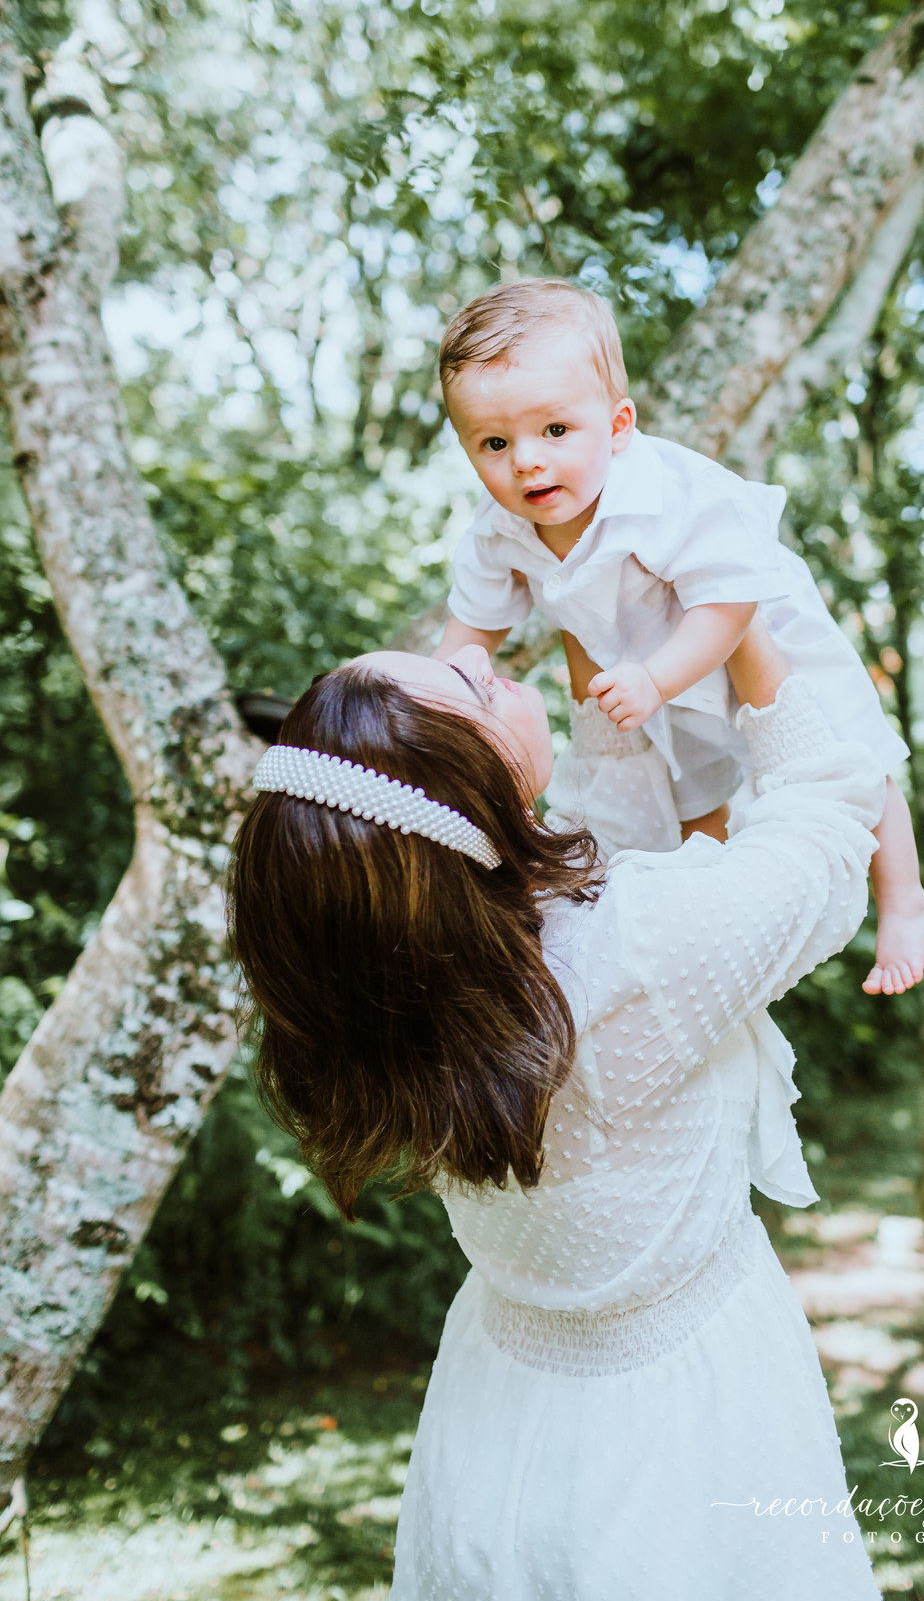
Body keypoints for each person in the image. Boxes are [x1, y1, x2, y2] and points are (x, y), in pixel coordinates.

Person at [228, 614, 886, 1600]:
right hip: (682, 1416)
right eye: (470, 686)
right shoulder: (632, 949)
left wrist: (601, 638)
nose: (476, 654)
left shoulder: (411, 976)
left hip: (500, 1398)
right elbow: (830, 830)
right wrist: (738, 611)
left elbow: (600, 831)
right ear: (472, 792)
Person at [433, 277, 924, 997]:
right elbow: (465, 641)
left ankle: (905, 898)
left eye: (555, 431)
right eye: (494, 442)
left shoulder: (667, 493)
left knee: (843, 748)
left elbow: (729, 605)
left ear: (618, 425)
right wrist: (420, 719)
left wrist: (655, 679)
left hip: (746, 634)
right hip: (652, 680)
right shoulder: (499, 534)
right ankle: (713, 900)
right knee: (690, 787)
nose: (526, 460)